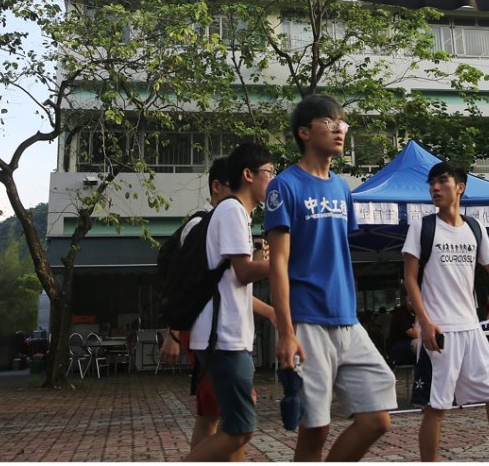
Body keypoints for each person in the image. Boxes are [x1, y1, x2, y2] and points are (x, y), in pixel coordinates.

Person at [265, 95, 396, 462]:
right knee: (315, 428)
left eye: (342, 123)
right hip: (307, 321)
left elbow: (337, 250)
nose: (340, 130)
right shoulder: (283, 186)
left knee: (376, 419)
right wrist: (286, 332)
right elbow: (278, 263)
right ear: (304, 132)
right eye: (330, 122)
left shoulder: (341, 188)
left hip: (348, 319)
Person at [403, 160, 489, 462]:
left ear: (460, 187)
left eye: (442, 181)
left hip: (472, 330)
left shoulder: (475, 228)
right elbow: (410, 279)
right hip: (439, 332)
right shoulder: (422, 226)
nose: (435, 188)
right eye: (431, 183)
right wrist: (424, 322)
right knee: (435, 409)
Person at [160, 157, 276, 450]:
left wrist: (271, 311)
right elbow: (188, 284)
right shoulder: (202, 224)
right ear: (217, 187)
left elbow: (231, 287)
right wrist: (173, 333)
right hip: (208, 333)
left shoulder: (230, 220)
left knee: (213, 415)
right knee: (234, 419)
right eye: (234, 186)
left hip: (215, 332)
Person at [385, 300, 418, 366]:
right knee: (420, 343)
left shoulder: (414, 312)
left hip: (409, 346)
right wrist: (419, 314)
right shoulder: (401, 314)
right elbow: (415, 335)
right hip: (397, 348)